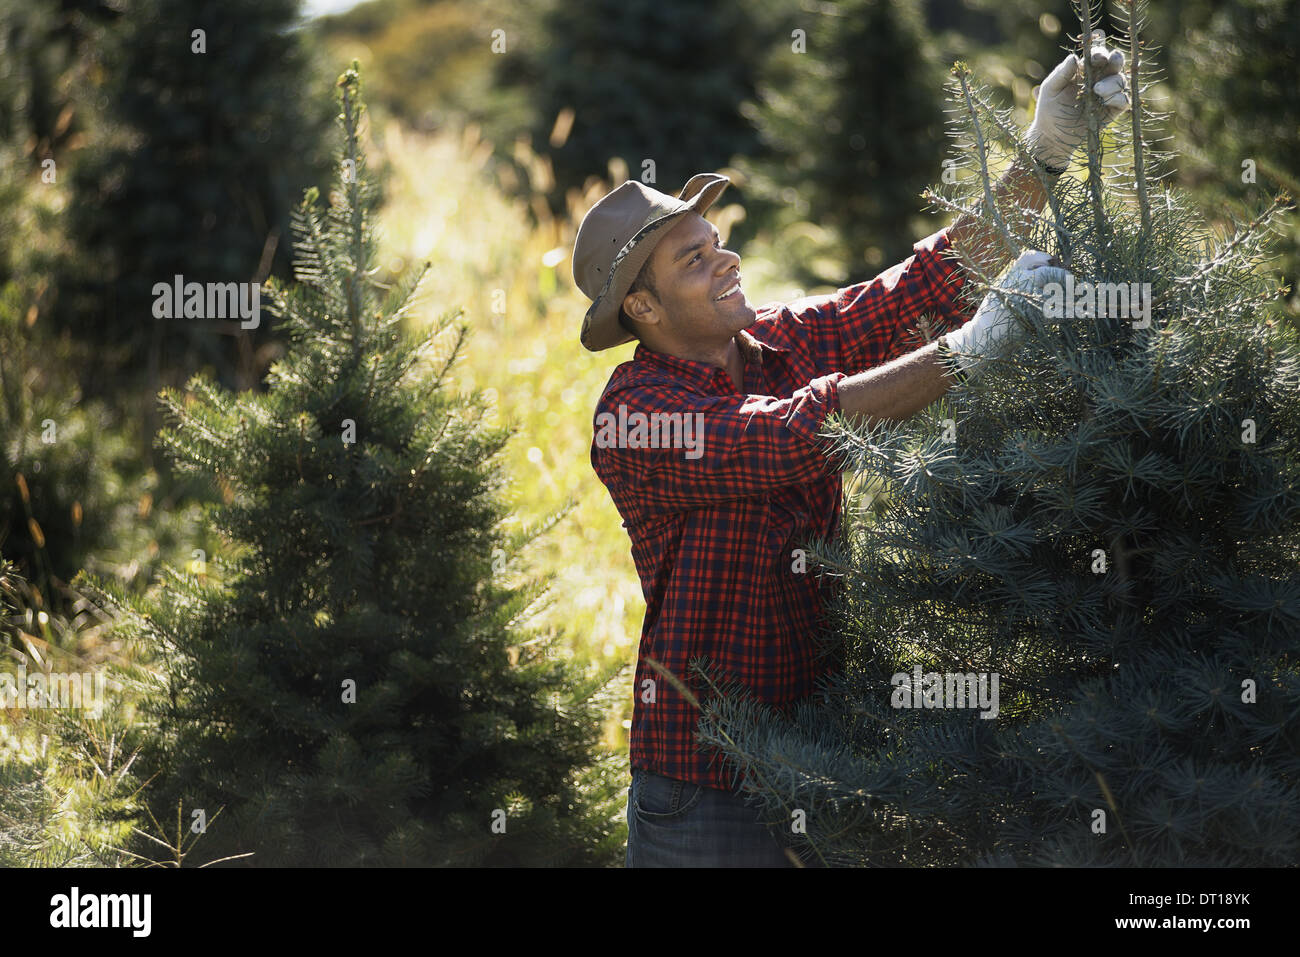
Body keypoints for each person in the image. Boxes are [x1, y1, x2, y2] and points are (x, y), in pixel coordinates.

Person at [572, 42, 1131, 867]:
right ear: (644, 305)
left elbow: (920, 285)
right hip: (703, 784)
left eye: (717, 241)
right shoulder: (636, 413)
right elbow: (787, 437)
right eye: (694, 259)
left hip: (822, 751)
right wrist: (967, 352)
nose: (726, 258)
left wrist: (1044, 152)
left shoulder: (779, 340)